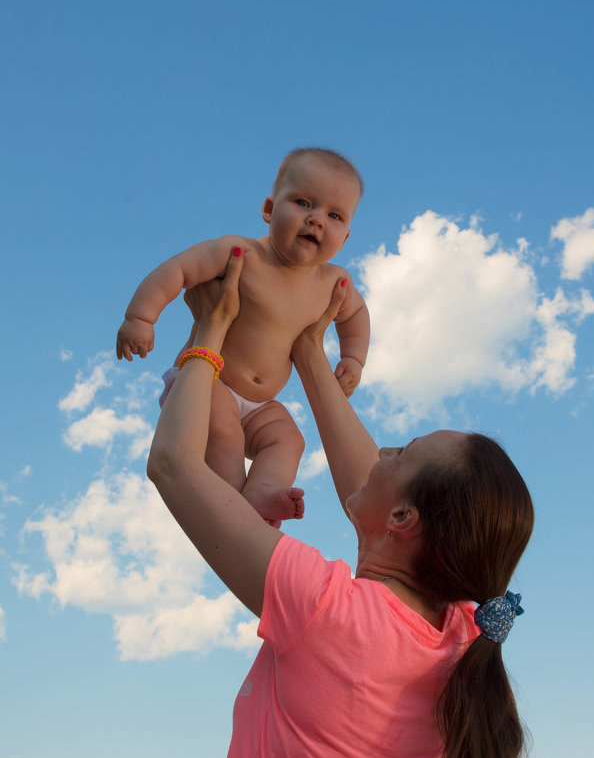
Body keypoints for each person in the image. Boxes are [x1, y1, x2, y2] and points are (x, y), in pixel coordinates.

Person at [147, 249, 534, 758]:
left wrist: (210, 330)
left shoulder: (324, 609)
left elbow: (174, 465)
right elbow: (374, 490)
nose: (386, 449)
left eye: (405, 450)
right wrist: (308, 347)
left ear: (402, 519)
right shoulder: (461, 636)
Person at [119, 148, 370, 525]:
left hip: (259, 404)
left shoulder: (332, 282)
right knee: (224, 433)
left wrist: (353, 358)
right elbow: (179, 270)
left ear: (345, 236)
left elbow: (356, 315)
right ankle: (232, 512)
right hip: (205, 383)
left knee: (289, 440)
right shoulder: (242, 253)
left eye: (334, 215)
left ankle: (259, 497)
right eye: (303, 203)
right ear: (270, 209)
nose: (317, 219)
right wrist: (140, 316)